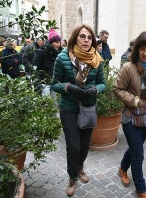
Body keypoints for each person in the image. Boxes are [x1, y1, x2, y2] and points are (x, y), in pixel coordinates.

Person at [51, 24, 105, 197]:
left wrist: (96, 90)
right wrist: (69, 87)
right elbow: (54, 84)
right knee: (73, 146)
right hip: (69, 108)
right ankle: (72, 176)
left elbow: (102, 83)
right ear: (75, 38)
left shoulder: (97, 58)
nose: (86, 40)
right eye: (83, 36)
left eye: (89, 38)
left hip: (88, 108)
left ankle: (80, 167)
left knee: (85, 145)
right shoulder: (63, 58)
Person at [113, 31, 146, 198]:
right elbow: (117, 89)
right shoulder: (128, 68)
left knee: (136, 148)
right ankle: (141, 189)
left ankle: (122, 168)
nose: (145, 53)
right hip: (131, 116)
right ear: (136, 49)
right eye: (142, 49)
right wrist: (134, 101)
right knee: (139, 154)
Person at [33, 28, 62, 97]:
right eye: (56, 42)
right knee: (46, 103)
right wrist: (38, 82)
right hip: (44, 82)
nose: (58, 44)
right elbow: (35, 67)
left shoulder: (60, 52)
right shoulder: (41, 51)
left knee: (55, 103)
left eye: (59, 42)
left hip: (55, 82)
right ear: (51, 43)